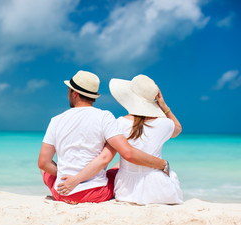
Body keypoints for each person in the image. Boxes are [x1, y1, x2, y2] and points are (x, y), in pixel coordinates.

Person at [38, 70, 170, 204]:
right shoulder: (104, 117)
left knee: (44, 169)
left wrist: (69, 176)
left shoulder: (56, 120)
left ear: (74, 93)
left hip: (63, 193)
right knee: (118, 167)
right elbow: (126, 154)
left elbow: (43, 163)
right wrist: (162, 164)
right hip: (95, 193)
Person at [109, 74, 183, 205]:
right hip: (161, 190)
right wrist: (164, 106)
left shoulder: (119, 123)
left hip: (126, 191)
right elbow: (178, 128)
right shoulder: (164, 124)